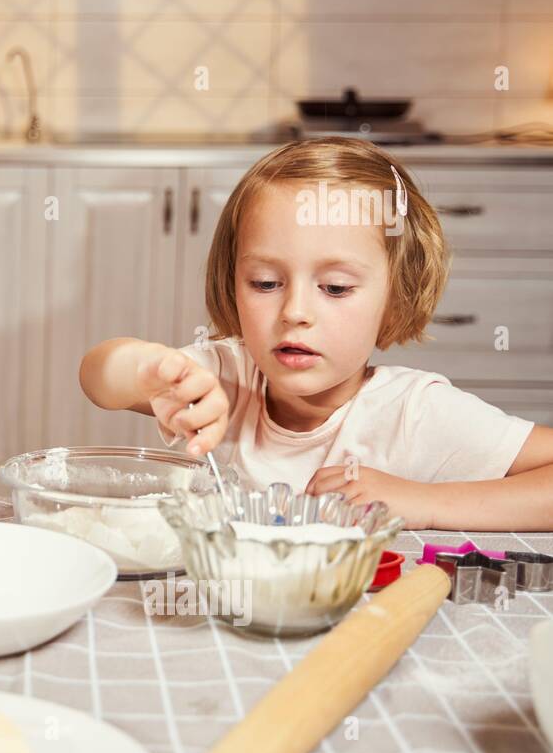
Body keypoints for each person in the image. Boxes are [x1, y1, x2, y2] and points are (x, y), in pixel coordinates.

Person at [79, 137, 553, 530]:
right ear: (231, 282)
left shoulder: (413, 413)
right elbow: (97, 376)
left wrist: (425, 503)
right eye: (266, 283)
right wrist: (148, 370)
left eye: (335, 287)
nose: (295, 311)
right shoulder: (224, 379)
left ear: (396, 296)